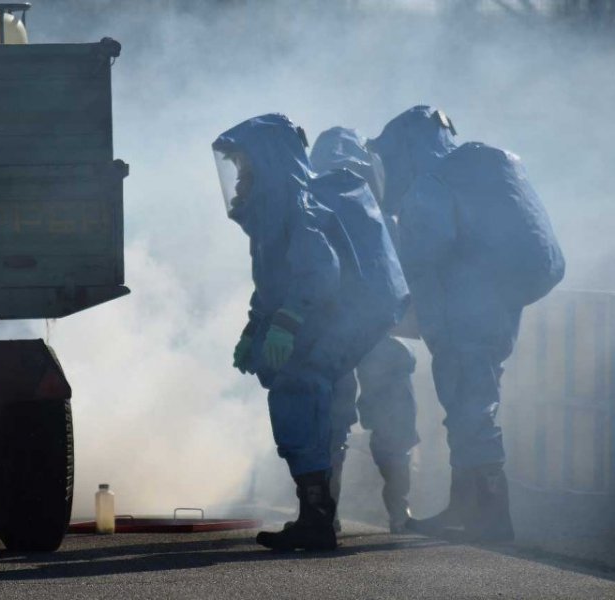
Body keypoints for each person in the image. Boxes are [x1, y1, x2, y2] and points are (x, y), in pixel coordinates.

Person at [366, 105, 566, 541]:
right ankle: (468, 508)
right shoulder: (473, 171)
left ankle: (488, 516)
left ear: (407, 148)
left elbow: (424, 252)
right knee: (473, 406)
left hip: (461, 317)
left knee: (470, 409)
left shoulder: (430, 185)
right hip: (492, 311)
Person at [213, 114, 407, 551]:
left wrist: (283, 324)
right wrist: (253, 328)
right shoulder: (274, 212)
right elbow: (273, 282)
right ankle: (318, 516)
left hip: (338, 317)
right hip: (336, 316)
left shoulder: (296, 207)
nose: (239, 181)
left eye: (245, 167)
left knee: (297, 391)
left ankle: (317, 520)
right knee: (312, 402)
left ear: (268, 163)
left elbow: (319, 272)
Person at [308, 126, 420, 533]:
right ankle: (399, 512)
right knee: (393, 424)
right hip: (379, 334)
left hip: (330, 334)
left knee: (332, 426)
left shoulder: (312, 198)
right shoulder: (378, 207)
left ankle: (326, 518)